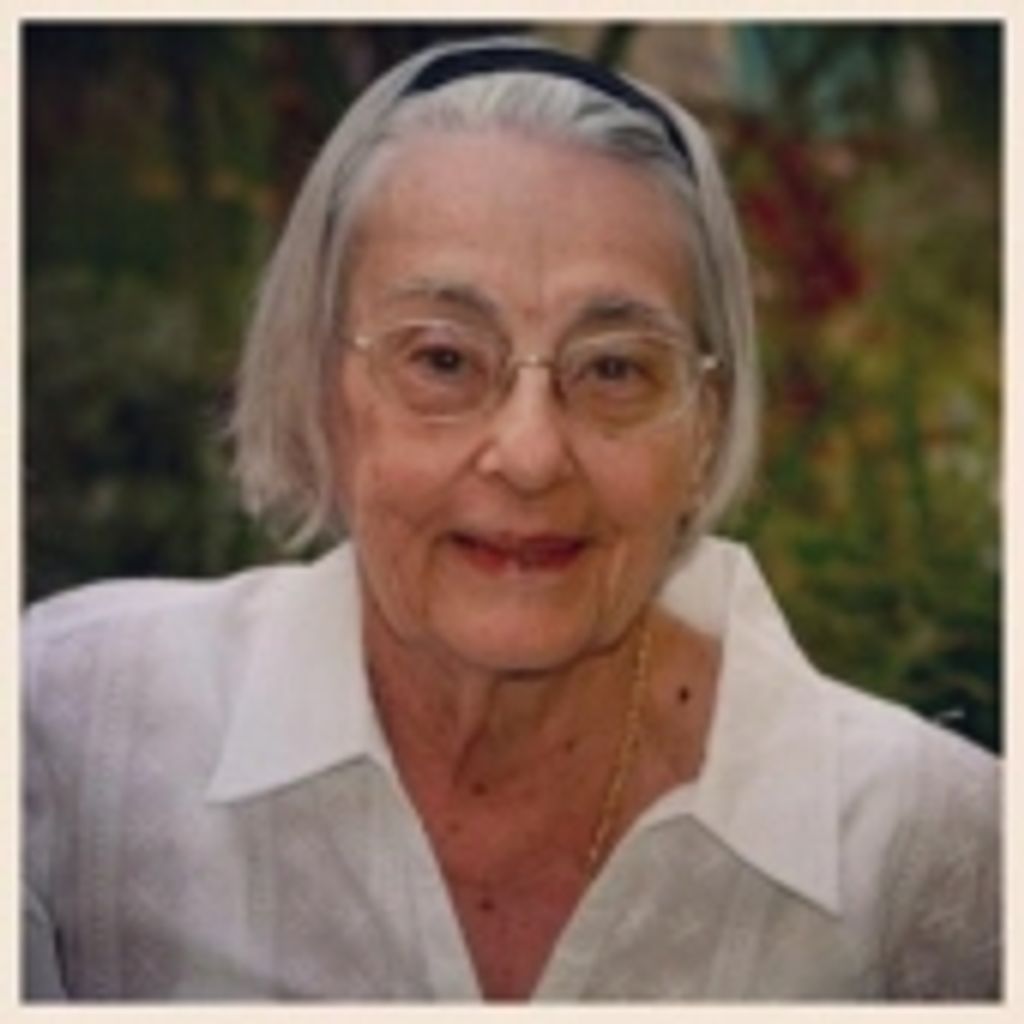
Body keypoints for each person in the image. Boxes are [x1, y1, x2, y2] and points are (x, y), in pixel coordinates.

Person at [23, 36, 1000, 1001]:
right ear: (320, 387)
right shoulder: (71, 733)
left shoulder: (931, 851)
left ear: (703, 427)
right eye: (444, 359)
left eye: (613, 367)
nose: (531, 455)